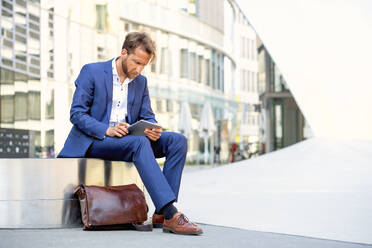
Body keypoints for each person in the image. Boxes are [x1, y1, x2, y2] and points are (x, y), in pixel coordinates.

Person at [58, 32, 202, 235]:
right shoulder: (92, 71)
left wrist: (151, 128)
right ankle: (171, 213)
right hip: (97, 140)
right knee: (139, 144)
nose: (139, 69)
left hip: (128, 140)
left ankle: (161, 213)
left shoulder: (140, 82)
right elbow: (77, 113)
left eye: (144, 65)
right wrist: (107, 129)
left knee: (177, 141)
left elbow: (147, 115)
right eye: (136, 62)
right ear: (124, 53)